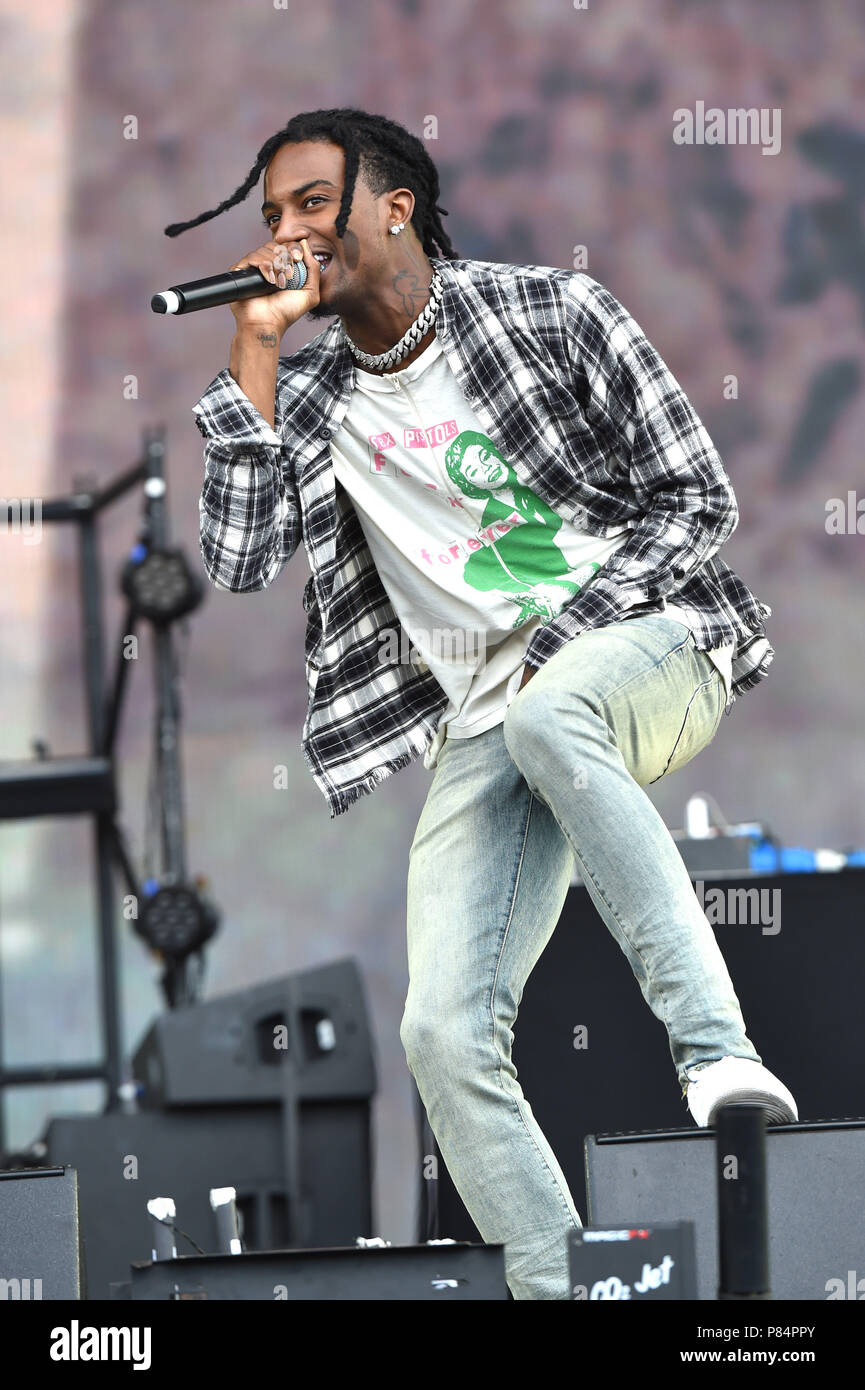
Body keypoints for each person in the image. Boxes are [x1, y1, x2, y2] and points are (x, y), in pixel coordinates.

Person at [172, 107, 797, 1300]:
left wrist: (558, 639)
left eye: (311, 203)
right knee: (440, 1036)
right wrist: (252, 350)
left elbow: (696, 501)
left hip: (648, 639)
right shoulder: (308, 401)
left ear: (392, 205)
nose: (287, 234)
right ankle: (569, 1294)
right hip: (487, 720)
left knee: (550, 711)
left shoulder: (548, 312)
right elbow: (241, 561)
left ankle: (716, 1053)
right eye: (270, 218)